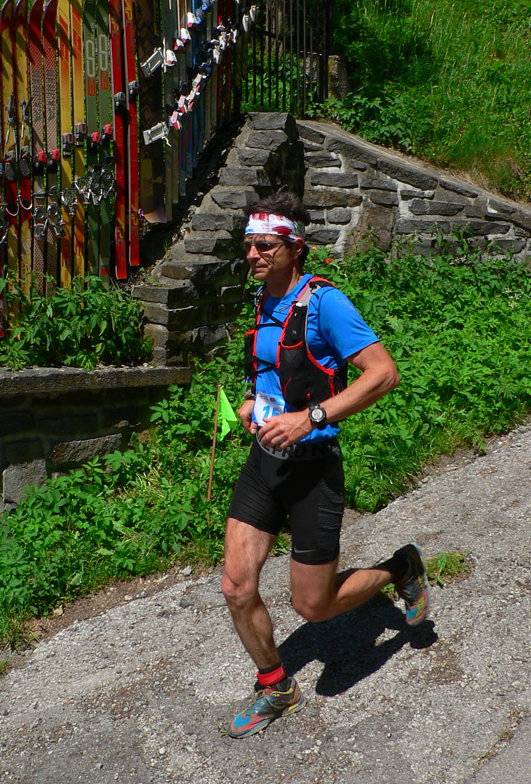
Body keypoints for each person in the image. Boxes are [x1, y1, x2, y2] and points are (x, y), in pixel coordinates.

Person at [222, 191, 430, 739]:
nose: (253, 254)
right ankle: (276, 686)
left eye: (265, 245)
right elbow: (272, 368)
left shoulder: (325, 303)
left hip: (313, 466)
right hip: (265, 462)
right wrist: (253, 402)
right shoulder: (263, 299)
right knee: (236, 586)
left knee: (312, 606)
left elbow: (384, 373)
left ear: (296, 248)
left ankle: (401, 569)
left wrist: (309, 417)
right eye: (249, 245)